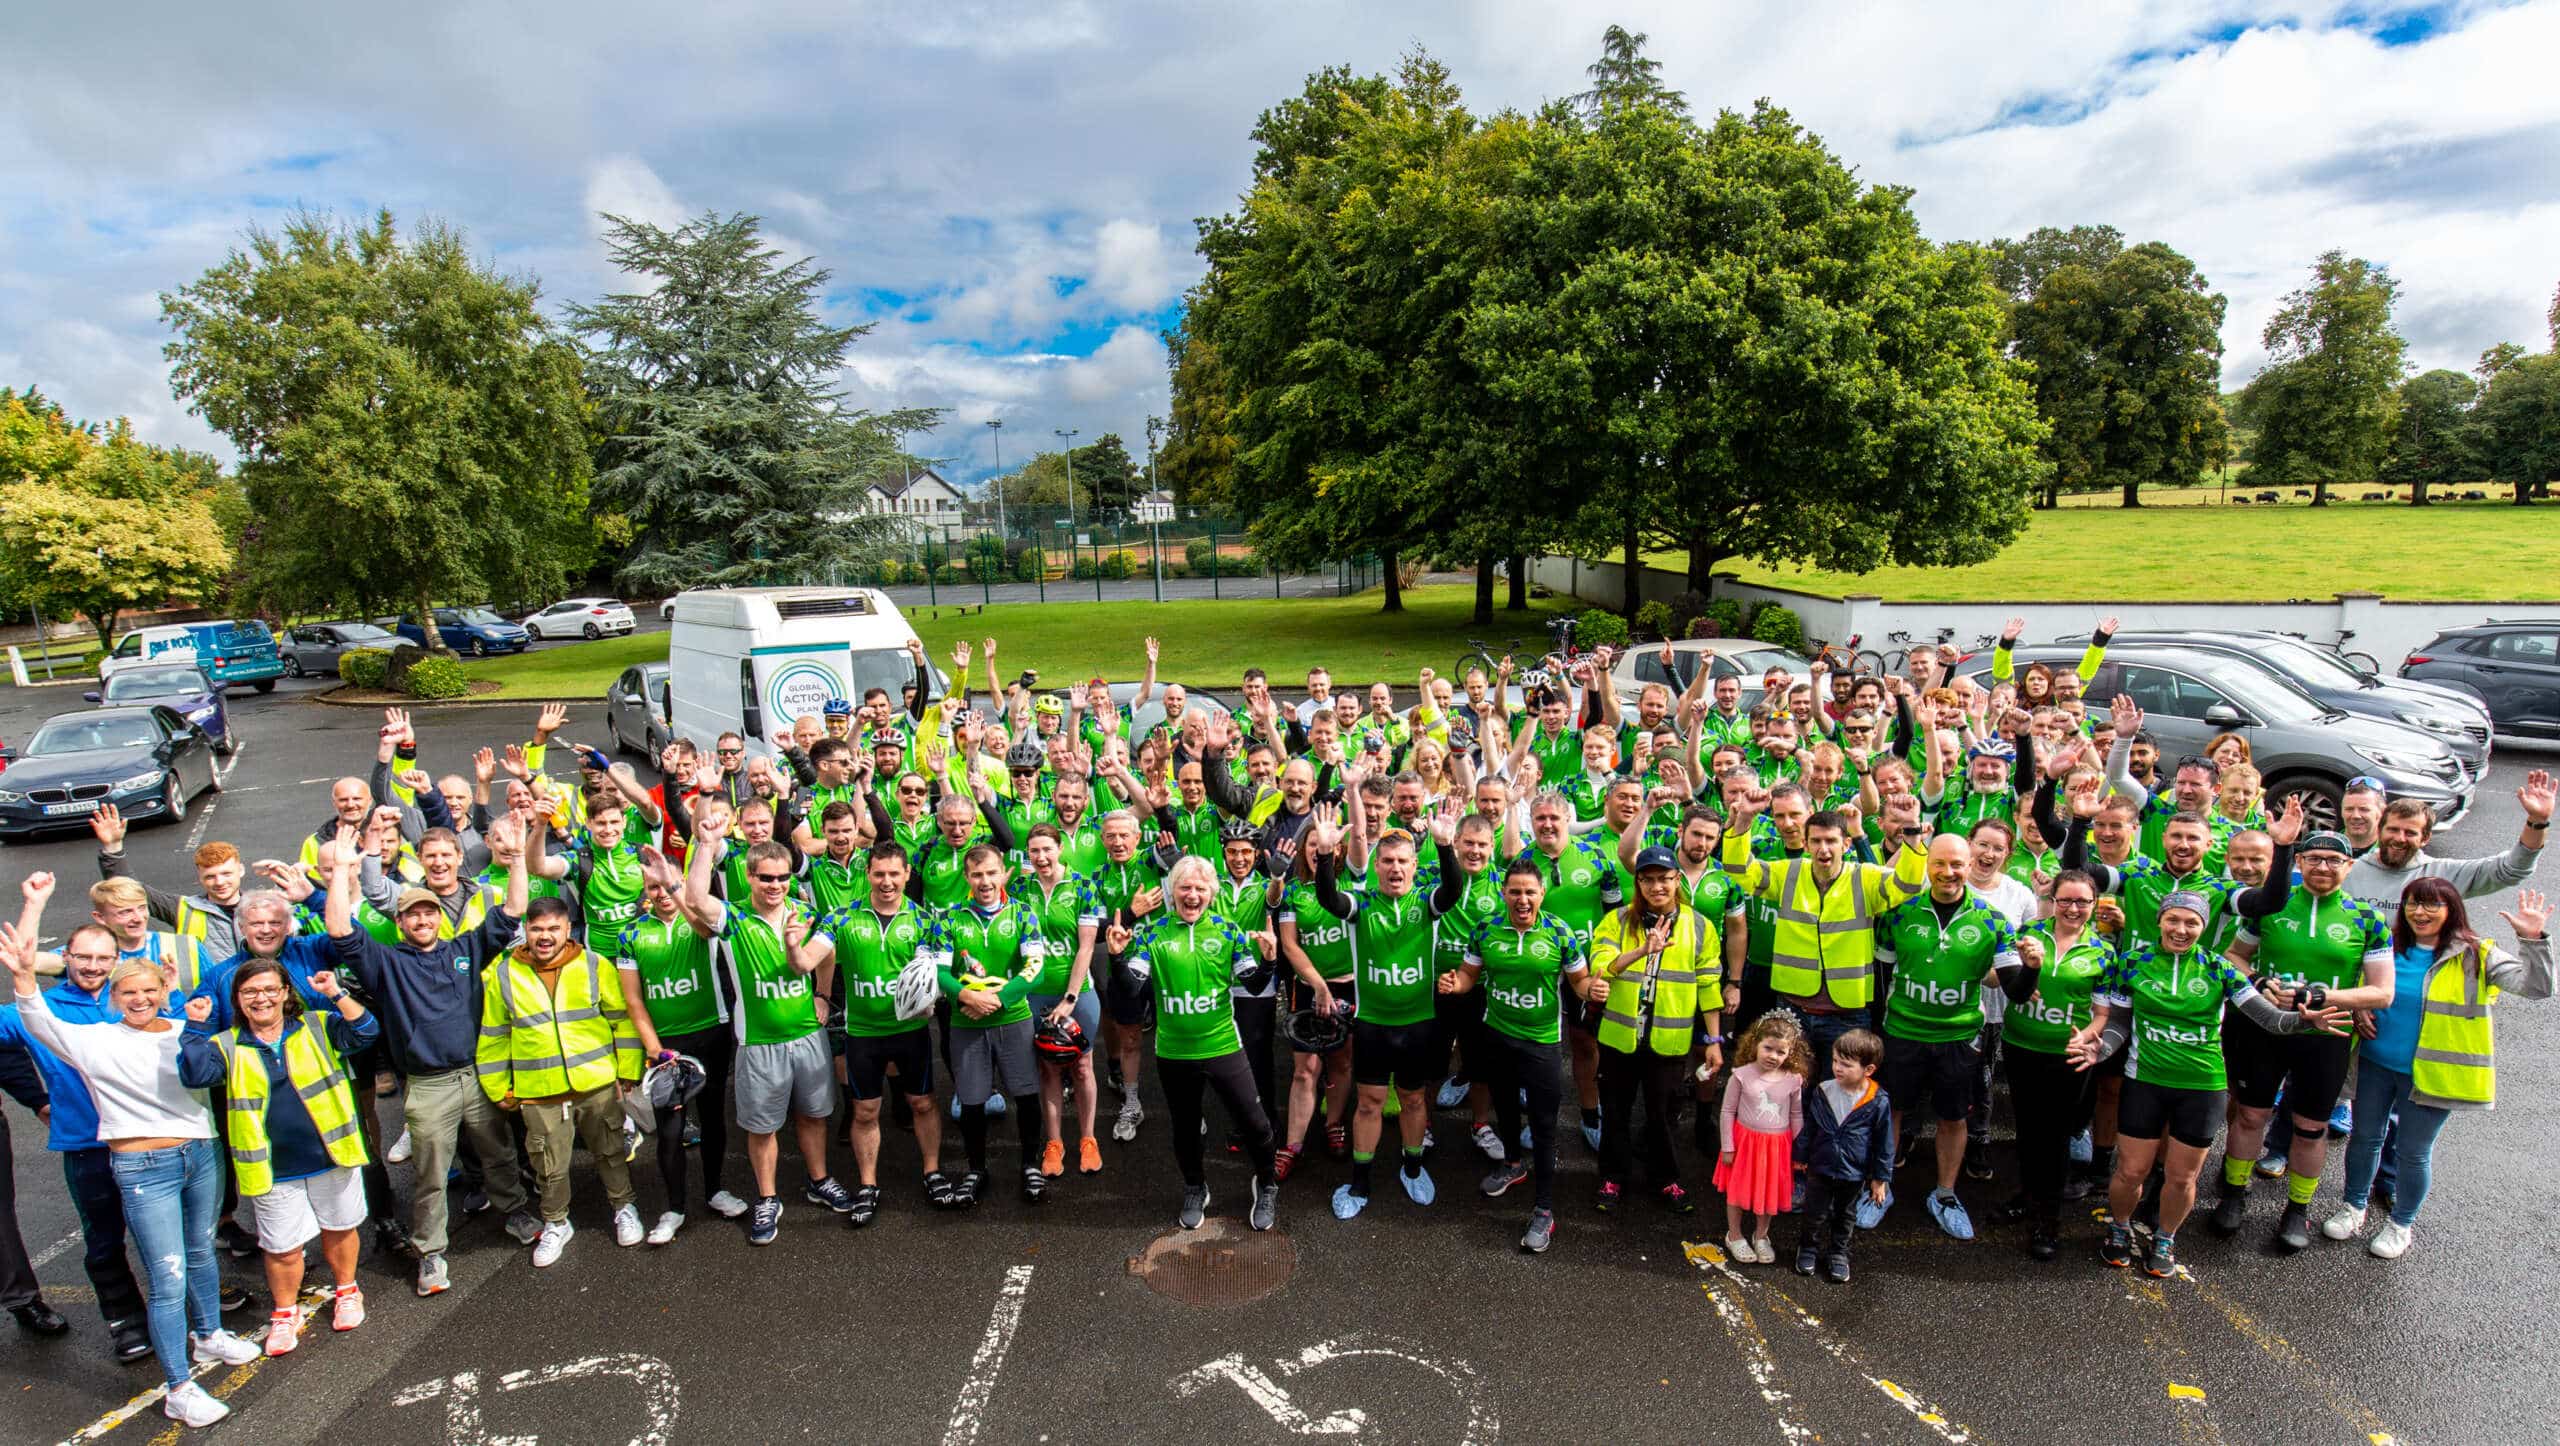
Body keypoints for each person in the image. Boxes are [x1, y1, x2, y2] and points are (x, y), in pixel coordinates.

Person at [4, 901, 261, 1430]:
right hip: (143, 1166)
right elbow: (32, 1012)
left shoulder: (181, 1033)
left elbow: (215, 1049)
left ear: (163, 991)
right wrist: (25, 970)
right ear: (113, 999)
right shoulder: (91, 1040)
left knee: (200, 1254)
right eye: (128, 992)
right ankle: (178, 1388)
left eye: (149, 990)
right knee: (167, 1278)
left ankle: (210, 1334)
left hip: (199, 1154)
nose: (140, 999)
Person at [2068, 892, 2344, 1278]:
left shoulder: (2220, 969)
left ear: (2202, 927)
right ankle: (2120, 1228)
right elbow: (2118, 1025)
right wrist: (2101, 1051)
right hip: (2145, 1081)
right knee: (2131, 1172)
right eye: (2173, 920)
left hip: (2202, 1088)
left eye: (2191, 923)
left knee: (2182, 1177)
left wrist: (2303, 1022)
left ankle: (2165, 1237)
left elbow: (2270, 1019)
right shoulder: (2131, 963)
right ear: (2160, 921)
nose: (2181, 930)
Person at [322, 824, 541, 1295]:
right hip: (428, 1084)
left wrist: (519, 857)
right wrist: (342, 869)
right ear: (400, 923)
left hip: (477, 1073)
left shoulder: (466, 949)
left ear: (440, 917)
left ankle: (515, 1212)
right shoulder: (386, 964)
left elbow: (513, 910)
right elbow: (340, 929)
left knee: (499, 1152)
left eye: (429, 913)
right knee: (430, 1171)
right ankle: (431, 1252)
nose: (422, 920)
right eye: (412, 915)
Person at [2325, 881, 2551, 1258]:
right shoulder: (2384, 945)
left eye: (2432, 905)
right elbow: (2361, 986)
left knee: (2414, 1152)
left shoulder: (2477, 954)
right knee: (2364, 1139)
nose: (2421, 913)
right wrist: (2358, 1007)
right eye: (2414, 903)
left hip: (2433, 1075)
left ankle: (2400, 1225)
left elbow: (2537, 987)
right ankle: (2353, 1207)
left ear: (2452, 910)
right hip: (2374, 1064)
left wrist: (2533, 940)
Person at [176, 960, 376, 1357]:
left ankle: (348, 1291)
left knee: (340, 1228)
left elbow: (366, 1030)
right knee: (281, 1247)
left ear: (286, 991)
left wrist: (336, 993)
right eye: (250, 992)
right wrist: (195, 1027)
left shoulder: (318, 1025)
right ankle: (286, 1312)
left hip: (330, 1153)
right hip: (272, 1166)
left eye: (270, 989)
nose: (261, 998)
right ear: (237, 999)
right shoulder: (225, 1044)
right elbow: (195, 1075)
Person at [2214, 827, 2389, 1251]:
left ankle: (2297, 1209)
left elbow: (2382, 991)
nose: (2323, 867)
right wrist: (2259, 981)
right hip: (2267, 1028)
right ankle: (2235, 1193)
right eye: (2314, 859)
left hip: (2326, 1034)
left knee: (2310, 1129)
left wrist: (2324, 995)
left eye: (2334, 860)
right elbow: (2233, 955)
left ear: (2349, 867)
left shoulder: (2367, 918)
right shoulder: (2272, 907)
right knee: (2251, 1116)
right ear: (2298, 864)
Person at [683, 817, 852, 1244]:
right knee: (762, 1127)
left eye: (781, 877)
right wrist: (706, 843)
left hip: (807, 1038)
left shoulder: (806, 914)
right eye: (766, 878)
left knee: (814, 1116)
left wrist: (822, 996)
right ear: (750, 876)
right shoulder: (735, 919)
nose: (775, 885)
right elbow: (695, 897)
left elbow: (826, 954)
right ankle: (767, 1196)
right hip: (759, 1043)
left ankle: (818, 1181)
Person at [1105, 855, 1282, 1231]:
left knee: (1256, 1123)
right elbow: (1132, 987)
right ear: (1173, 892)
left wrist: (1268, 962)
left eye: (1201, 888)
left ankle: (1266, 1183)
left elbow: (1251, 982)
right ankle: (1195, 1187)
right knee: (1185, 1128)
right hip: (1174, 1052)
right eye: (1185, 887)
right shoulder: (1154, 934)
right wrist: (1118, 959)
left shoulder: (1228, 930)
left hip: (1222, 1046)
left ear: (1211, 894)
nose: (1192, 895)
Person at [475, 890, 645, 1266]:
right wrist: (497, 1088)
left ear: (568, 928)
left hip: (596, 1084)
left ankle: (624, 1208)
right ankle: (556, 1223)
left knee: (611, 1152)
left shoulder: (594, 964)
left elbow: (621, 1020)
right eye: (537, 929)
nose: (545, 936)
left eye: (554, 928)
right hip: (540, 1091)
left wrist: (627, 1072)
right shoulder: (503, 975)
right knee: (548, 1167)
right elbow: (494, 1036)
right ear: (525, 931)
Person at [1310, 813, 1465, 1220]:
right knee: (1369, 1103)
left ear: (1415, 866)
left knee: (1414, 1100)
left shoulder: (1426, 904)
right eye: (1388, 861)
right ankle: (1360, 1181)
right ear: (1376, 866)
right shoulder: (1361, 904)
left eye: (1403, 861)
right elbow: (1328, 898)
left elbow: (1453, 888)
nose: (1395, 868)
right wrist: (1325, 853)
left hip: (1419, 1024)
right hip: (1375, 1025)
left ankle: (1412, 1167)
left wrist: (1446, 845)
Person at [1874, 833, 2024, 1242]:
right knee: (1894, 1111)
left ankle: (1944, 1194)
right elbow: (1881, 976)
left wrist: (2032, 970)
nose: (1948, 872)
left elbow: (2016, 987)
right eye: (1939, 863)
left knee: (1953, 1116)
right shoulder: (1898, 915)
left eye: (1956, 864)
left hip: (1959, 1036)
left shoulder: (1992, 920)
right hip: (1903, 1031)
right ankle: (1880, 1187)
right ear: (1927, 865)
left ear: (1970, 862)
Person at [1722, 786, 1929, 1076]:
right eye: (1816, 841)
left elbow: (1908, 885)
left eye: (1831, 841)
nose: (1823, 849)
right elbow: (1738, 870)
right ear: (1805, 845)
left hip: (1846, 1013)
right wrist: (1743, 820)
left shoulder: (1864, 877)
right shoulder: (1787, 873)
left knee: (1839, 1092)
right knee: (1792, 1089)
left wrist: (1912, 831)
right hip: (1793, 1007)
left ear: (1846, 844)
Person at [616, 848, 749, 1243]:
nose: (660, 893)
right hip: (667, 1047)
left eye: (665, 885)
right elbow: (634, 1001)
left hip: (711, 1031)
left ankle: (714, 1191)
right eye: (652, 887)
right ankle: (674, 1208)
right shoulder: (632, 933)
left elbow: (708, 929)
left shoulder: (697, 924)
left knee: (712, 1119)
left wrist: (677, 889)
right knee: (670, 1130)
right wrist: (654, 1048)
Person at [1455, 858, 1585, 1253]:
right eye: (1515, 891)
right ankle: (1512, 1165)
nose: (1523, 899)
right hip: (1497, 1035)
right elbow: (1467, 976)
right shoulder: (1486, 930)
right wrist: (1454, 984)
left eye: (1530, 891)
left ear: (1542, 893)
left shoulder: (1560, 933)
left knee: (1543, 1127)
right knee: (1507, 1111)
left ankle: (1544, 1209)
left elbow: (1579, 982)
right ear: (1504, 894)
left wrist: (1594, 988)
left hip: (1542, 1043)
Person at [1588, 846, 1723, 1215]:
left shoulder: (1699, 926)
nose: (1656, 887)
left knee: (1662, 1114)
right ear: (1638, 882)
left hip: (1669, 1040)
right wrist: (1642, 950)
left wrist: (1713, 1039)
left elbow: (1709, 983)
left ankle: (1665, 1178)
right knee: (1615, 1111)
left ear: (1677, 880)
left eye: (1664, 878)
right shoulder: (1616, 921)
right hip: (1619, 1038)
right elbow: (1601, 966)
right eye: (1647, 879)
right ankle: (1613, 1176)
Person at [820, 844, 953, 1220]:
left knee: (922, 1103)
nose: (887, 882)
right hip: (863, 1032)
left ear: (908, 874)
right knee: (865, 1110)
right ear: (868, 874)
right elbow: (816, 955)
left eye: (895, 874)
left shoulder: (926, 920)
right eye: (879, 874)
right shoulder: (842, 917)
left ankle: (932, 1171)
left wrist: (934, 995)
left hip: (910, 1030)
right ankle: (867, 1184)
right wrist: (812, 977)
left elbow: (937, 972)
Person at [926, 845, 1051, 1206]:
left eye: (992, 873)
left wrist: (996, 999)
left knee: (1026, 1095)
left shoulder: (1023, 913)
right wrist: (967, 998)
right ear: (967, 877)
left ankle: (1030, 1164)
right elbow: (937, 972)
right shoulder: (949, 919)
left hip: (1013, 1018)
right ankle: (976, 1169)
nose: (985, 881)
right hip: (966, 1023)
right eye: (977, 874)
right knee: (972, 1100)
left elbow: (1035, 968)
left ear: (1003, 874)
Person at [2001, 870, 2115, 1260]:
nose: (2073, 908)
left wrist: (2091, 1034)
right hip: (2020, 1046)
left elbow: (2102, 1012)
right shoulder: (2028, 933)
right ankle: (2027, 1196)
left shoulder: (2103, 950)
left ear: (2094, 904)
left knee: (2055, 1138)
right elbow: (2009, 984)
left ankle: (2047, 1220)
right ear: (2053, 899)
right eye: (2065, 900)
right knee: (2028, 1131)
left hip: (2067, 1056)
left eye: (2083, 902)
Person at [1015, 826, 1106, 1179]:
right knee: (1047, 1068)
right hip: (1035, 992)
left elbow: (1085, 947)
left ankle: (1088, 1138)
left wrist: (1070, 996)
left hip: (1077, 994)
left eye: (1046, 850)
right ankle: (1054, 1143)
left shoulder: (1083, 886)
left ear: (1059, 848)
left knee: (1082, 1067)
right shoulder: (1020, 889)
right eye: (1034, 851)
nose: (1040, 857)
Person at [1793, 1028, 1892, 1285]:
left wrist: (1880, 1178)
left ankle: (1838, 1253)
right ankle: (1808, 1249)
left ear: (1868, 1069)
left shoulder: (1878, 1101)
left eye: (1846, 1064)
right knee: (1813, 1212)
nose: (1837, 1068)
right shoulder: (1823, 1090)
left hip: (1854, 1172)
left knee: (1845, 1215)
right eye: (1835, 1061)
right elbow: (1810, 1127)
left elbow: (1884, 1143)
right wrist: (1801, 1155)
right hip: (1820, 1167)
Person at [1716, 1013, 1809, 1266]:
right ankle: (1734, 1235)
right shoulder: (1741, 1075)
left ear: (1790, 1053)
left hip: (1778, 1146)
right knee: (1737, 1192)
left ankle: (1761, 1236)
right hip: (1745, 1144)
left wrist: (1799, 1151)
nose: (1773, 1056)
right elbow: (1727, 1112)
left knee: (1769, 1193)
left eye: (1781, 1052)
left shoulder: (1793, 1080)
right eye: (1768, 1048)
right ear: (1755, 1043)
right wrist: (1727, 1146)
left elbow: (1796, 1114)